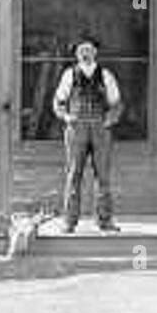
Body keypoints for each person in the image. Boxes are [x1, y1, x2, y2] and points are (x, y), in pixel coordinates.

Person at [53, 35, 122, 233]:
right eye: (82, 50)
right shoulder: (69, 74)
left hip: (100, 128)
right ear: (76, 54)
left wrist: (109, 120)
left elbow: (116, 103)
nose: (85, 54)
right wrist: (67, 117)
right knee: (74, 173)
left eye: (89, 50)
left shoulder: (105, 75)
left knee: (103, 175)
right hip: (77, 128)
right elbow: (58, 101)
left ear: (95, 52)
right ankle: (69, 221)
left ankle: (105, 220)